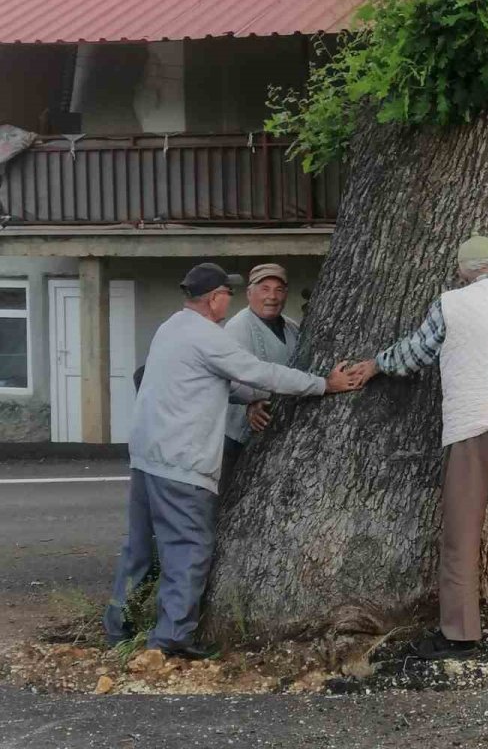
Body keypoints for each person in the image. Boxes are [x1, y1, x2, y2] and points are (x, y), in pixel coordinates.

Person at [103, 262, 360, 659]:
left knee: (139, 548)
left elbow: (210, 382)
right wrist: (324, 384)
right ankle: (171, 640)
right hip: (182, 461)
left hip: (147, 457)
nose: (230, 299)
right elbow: (261, 373)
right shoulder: (209, 337)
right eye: (227, 293)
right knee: (189, 548)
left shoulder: (172, 327)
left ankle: (118, 628)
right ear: (214, 299)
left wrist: (252, 398)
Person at [349, 235, 488, 660]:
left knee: (462, 535)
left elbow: (414, 354)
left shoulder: (450, 304)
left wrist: (376, 363)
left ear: (462, 272)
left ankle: (461, 633)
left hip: (471, 429)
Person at [219, 262, 304, 494]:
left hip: (277, 432)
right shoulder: (238, 327)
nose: (272, 297)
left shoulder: (292, 327)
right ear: (249, 293)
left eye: (279, 290)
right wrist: (250, 402)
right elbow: (229, 379)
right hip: (236, 434)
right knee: (228, 494)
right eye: (264, 289)